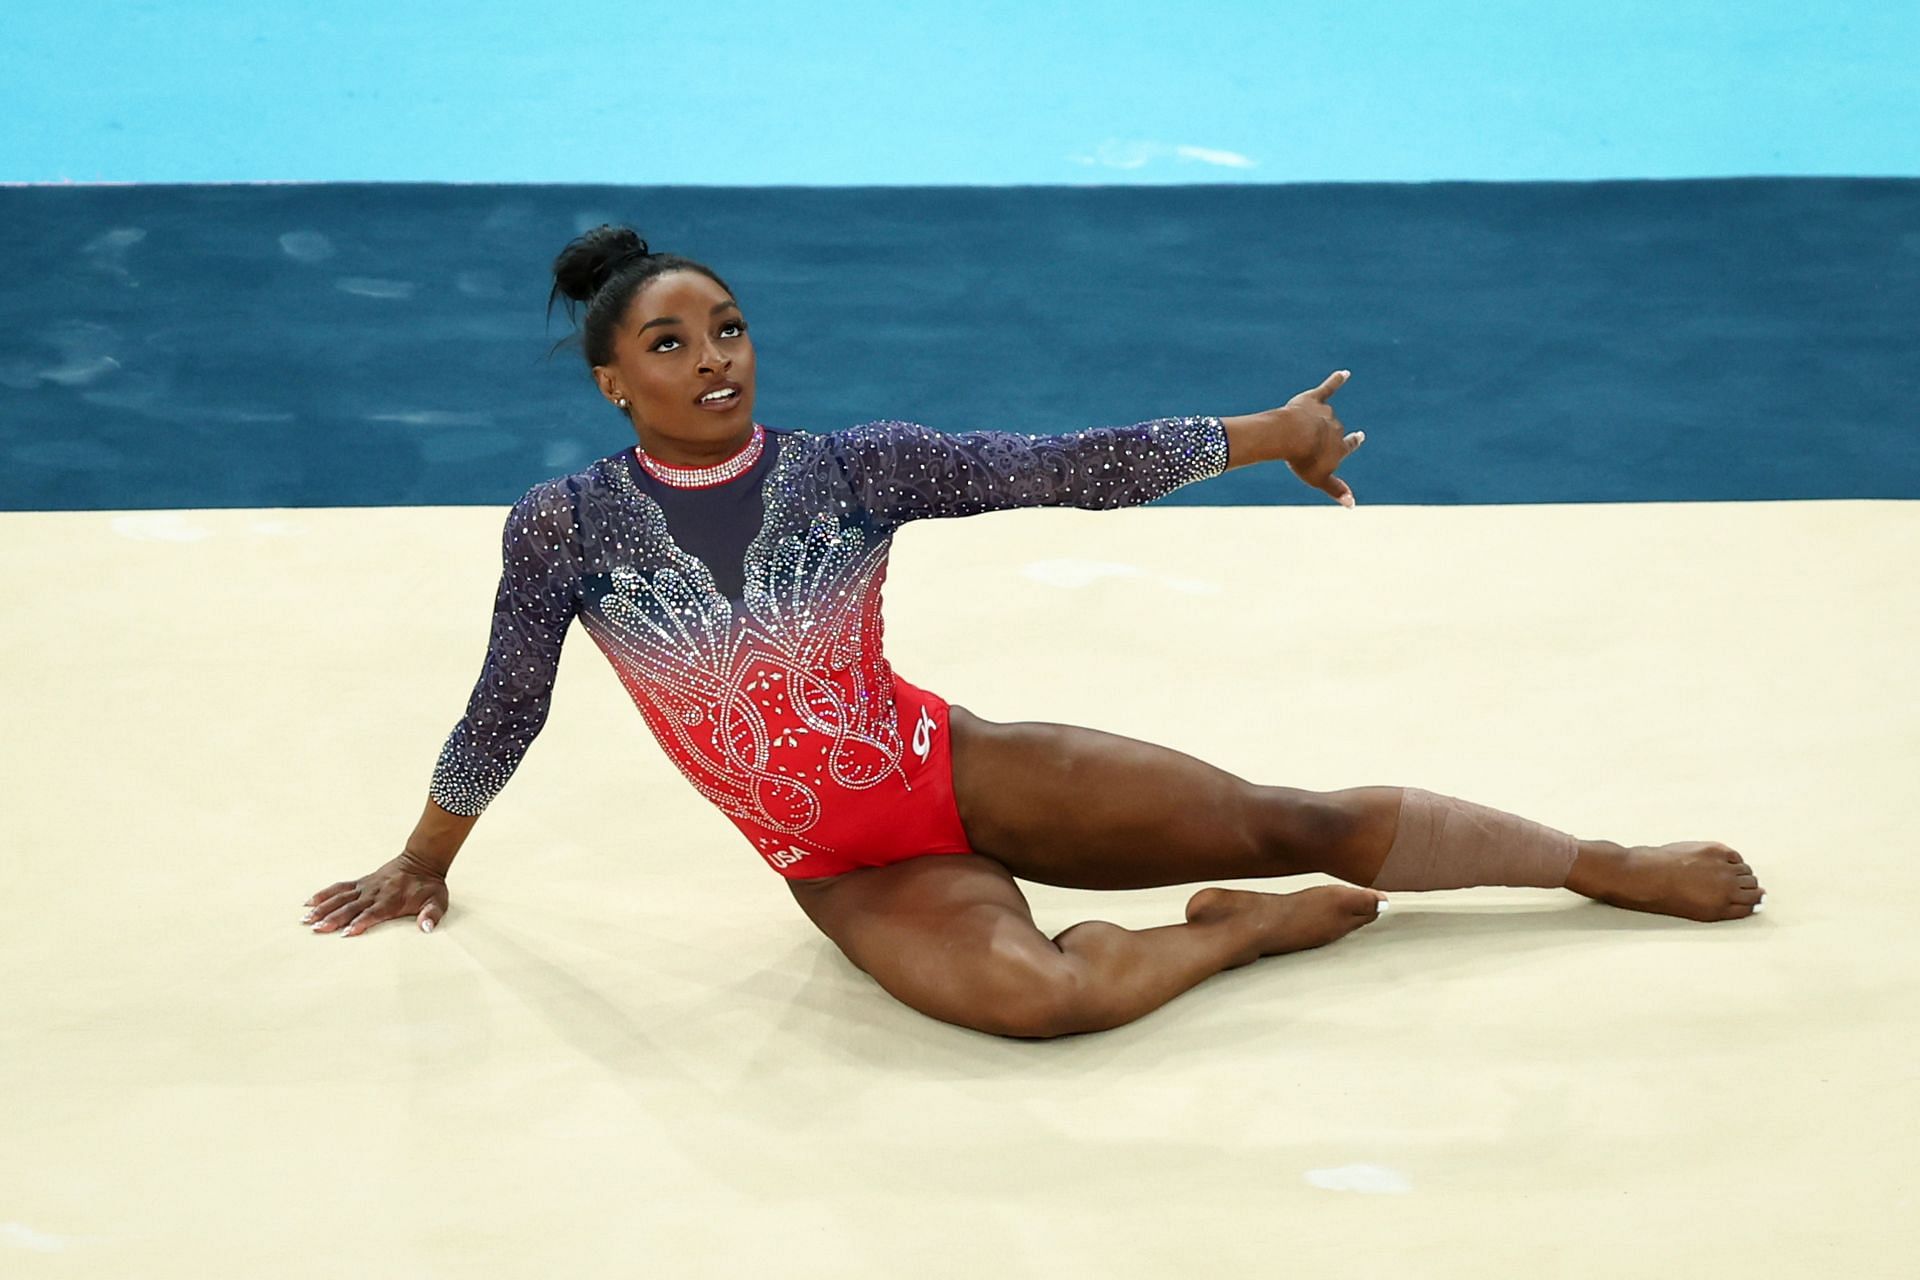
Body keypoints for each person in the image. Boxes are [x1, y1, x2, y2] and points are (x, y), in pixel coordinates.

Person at [301, 225, 1766, 1039]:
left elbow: (1062, 467)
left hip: (953, 768)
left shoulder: (850, 467)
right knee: (1037, 1002)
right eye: (671, 345)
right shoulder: (565, 529)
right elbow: (507, 705)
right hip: (842, 863)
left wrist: (1266, 434)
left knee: (1286, 812)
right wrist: (421, 865)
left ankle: (1595, 863)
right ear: (613, 382)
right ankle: (1233, 943)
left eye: (729, 328)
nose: (713, 360)